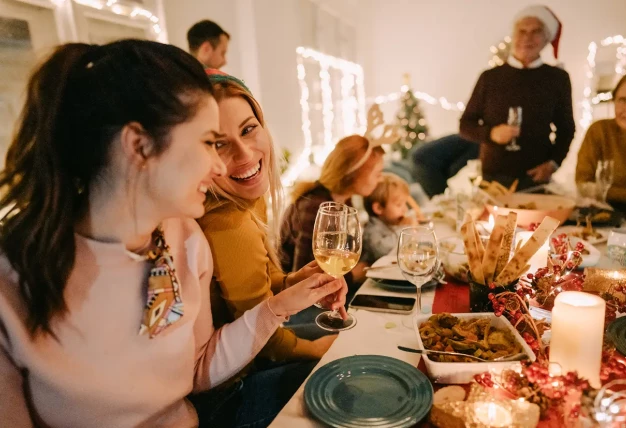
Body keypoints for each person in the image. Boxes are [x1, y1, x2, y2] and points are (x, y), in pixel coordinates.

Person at [0, 40, 346, 428]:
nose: (218, 166)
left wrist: (282, 304)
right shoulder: (12, 280)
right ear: (140, 146)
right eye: (207, 142)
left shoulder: (184, 240)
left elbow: (197, 369)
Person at [197, 70, 339, 369]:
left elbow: (257, 291)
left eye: (248, 129)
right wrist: (315, 350)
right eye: (219, 144)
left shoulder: (247, 197)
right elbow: (261, 339)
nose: (245, 154)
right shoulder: (228, 224)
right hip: (236, 385)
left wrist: (292, 281)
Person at [460, 5, 575, 190]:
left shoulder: (557, 79)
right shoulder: (489, 77)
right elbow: (465, 125)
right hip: (493, 180)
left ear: (546, 38)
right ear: (513, 36)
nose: (527, 38)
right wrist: (491, 134)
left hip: (536, 180)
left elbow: (566, 129)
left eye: (535, 32)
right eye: (522, 31)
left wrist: (553, 163)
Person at [279, 134, 385, 286]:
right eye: (377, 173)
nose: (380, 179)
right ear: (353, 173)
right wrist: (352, 275)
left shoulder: (344, 202)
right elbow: (303, 276)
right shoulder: (314, 207)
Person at [576, 74, 626, 214]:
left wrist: (605, 190)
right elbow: (583, 183)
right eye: (623, 100)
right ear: (614, 100)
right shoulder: (599, 131)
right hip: (605, 215)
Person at [362, 172, 417, 265]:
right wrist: (404, 229)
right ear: (379, 208)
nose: (405, 209)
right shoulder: (372, 230)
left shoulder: (390, 222)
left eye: (405, 203)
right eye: (399, 205)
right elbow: (382, 251)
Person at [412, 134, 479, 197]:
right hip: (427, 165)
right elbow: (455, 170)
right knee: (444, 200)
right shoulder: (477, 146)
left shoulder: (471, 139)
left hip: (423, 162)